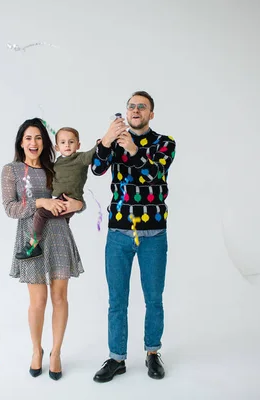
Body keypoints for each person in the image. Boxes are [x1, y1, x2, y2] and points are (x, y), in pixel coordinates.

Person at [91, 91, 176, 382]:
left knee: (154, 298)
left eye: (142, 106)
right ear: (126, 113)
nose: (136, 110)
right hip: (118, 233)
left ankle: (152, 353)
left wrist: (134, 151)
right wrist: (105, 141)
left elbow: (153, 175)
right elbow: (97, 168)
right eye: (131, 106)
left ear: (151, 114)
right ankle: (117, 359)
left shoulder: (165, 143)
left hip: (153, 234)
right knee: (117, 300)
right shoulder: (114, 142)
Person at [1, 118, 85, 380]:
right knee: (38, 301)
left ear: (45, 142)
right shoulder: (11, 170)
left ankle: (56, 353)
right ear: (21, 142)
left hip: (59, 235)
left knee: (60, 298)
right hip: (31, 239)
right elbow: (10, 208)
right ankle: (37, 350)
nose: (33, 143)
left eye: (38, 138)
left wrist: (78, 206)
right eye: (28, 138)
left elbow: (75, 197)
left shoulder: (55, 168)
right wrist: (41, 201)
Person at [16, 126, 97, 259]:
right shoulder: (57, 163)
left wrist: (98, 144)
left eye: (71, 142)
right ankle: (56, 247)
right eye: (63, 142)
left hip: (69, 200)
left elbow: (91, 154)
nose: (67, 145)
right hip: (59, 199)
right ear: (57, 147)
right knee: (61, 224)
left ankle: (33, 244)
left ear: (78, 145)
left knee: (41, 213)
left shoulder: (80, 159)